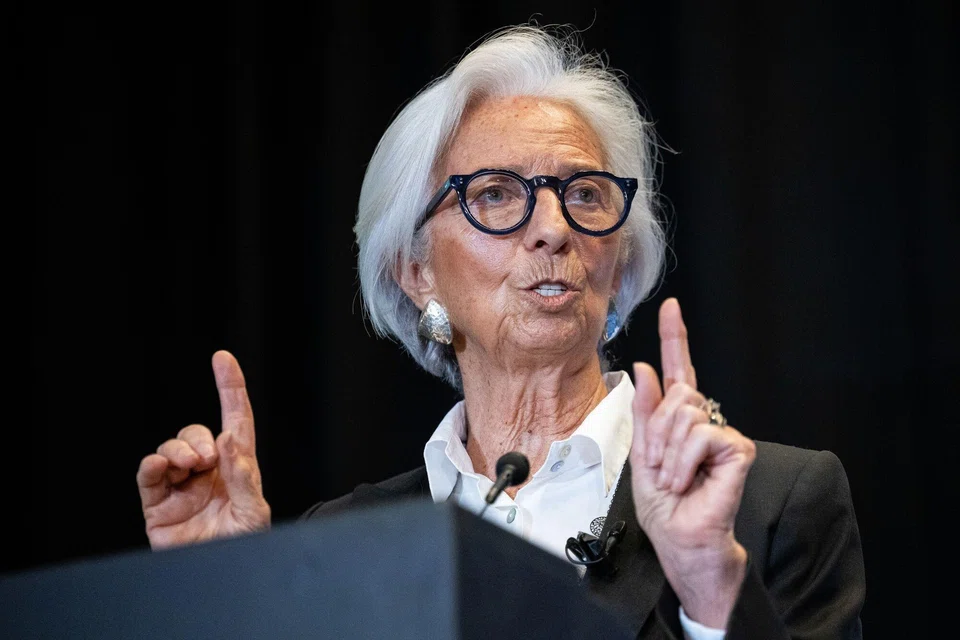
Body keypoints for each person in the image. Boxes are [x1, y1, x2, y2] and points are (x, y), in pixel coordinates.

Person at [136, 23, 865, 639]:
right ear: (414, 271)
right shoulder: (345, 538)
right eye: (495, 194)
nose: (552, 229)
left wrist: (710, 588)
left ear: (618, 261)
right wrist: (228, 597)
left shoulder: (771, 501)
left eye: (583, 193)